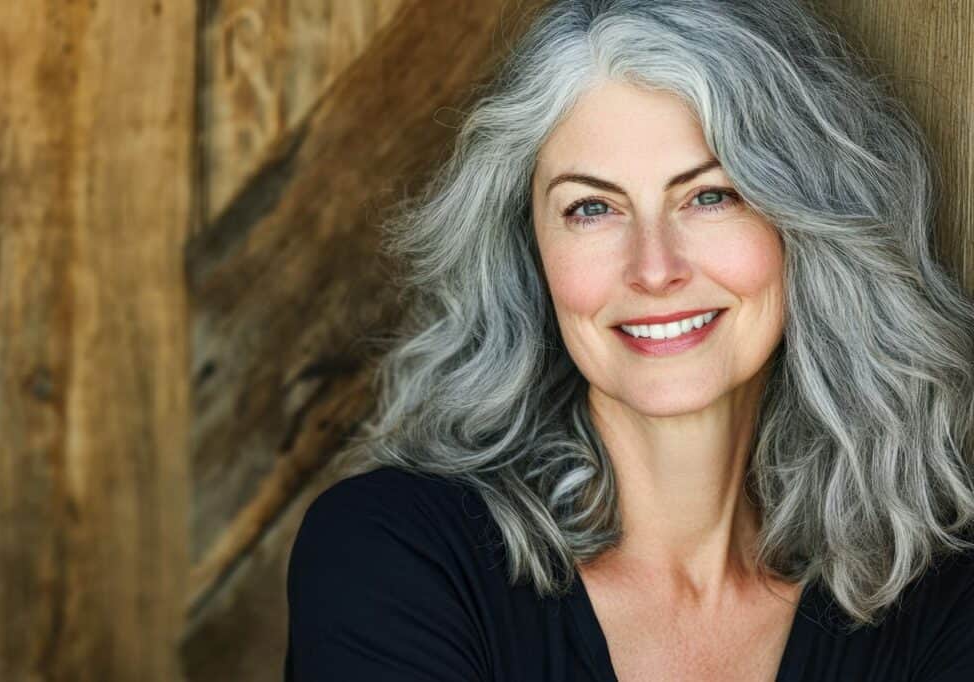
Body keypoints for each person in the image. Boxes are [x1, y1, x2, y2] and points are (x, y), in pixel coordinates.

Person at [284, 0, 974, 679]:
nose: (654, 268)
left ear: (808, 222)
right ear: (529, 253)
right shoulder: (393, 556)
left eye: (710, 196)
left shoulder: (936, 597)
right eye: (592, 208)